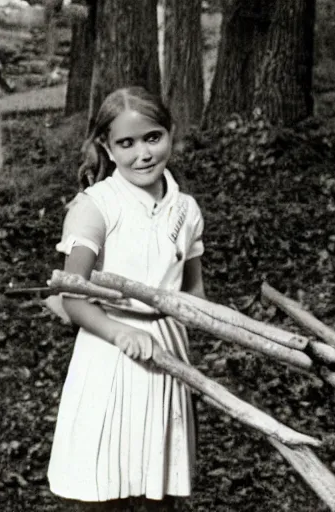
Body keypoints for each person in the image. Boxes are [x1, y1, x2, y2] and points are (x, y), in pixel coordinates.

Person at [47, 86, 206, 512]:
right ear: (107, 147)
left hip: (167, 352)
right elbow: (71, 295)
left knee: (159, 484)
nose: (143, 154)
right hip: (109, 352)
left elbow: (193, 291)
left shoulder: (186, 209)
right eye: (126, 143)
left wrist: (210, 321)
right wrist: (119, 332)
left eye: (153, 137)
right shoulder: (96, 205)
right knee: (106, 482)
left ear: (170, 132)